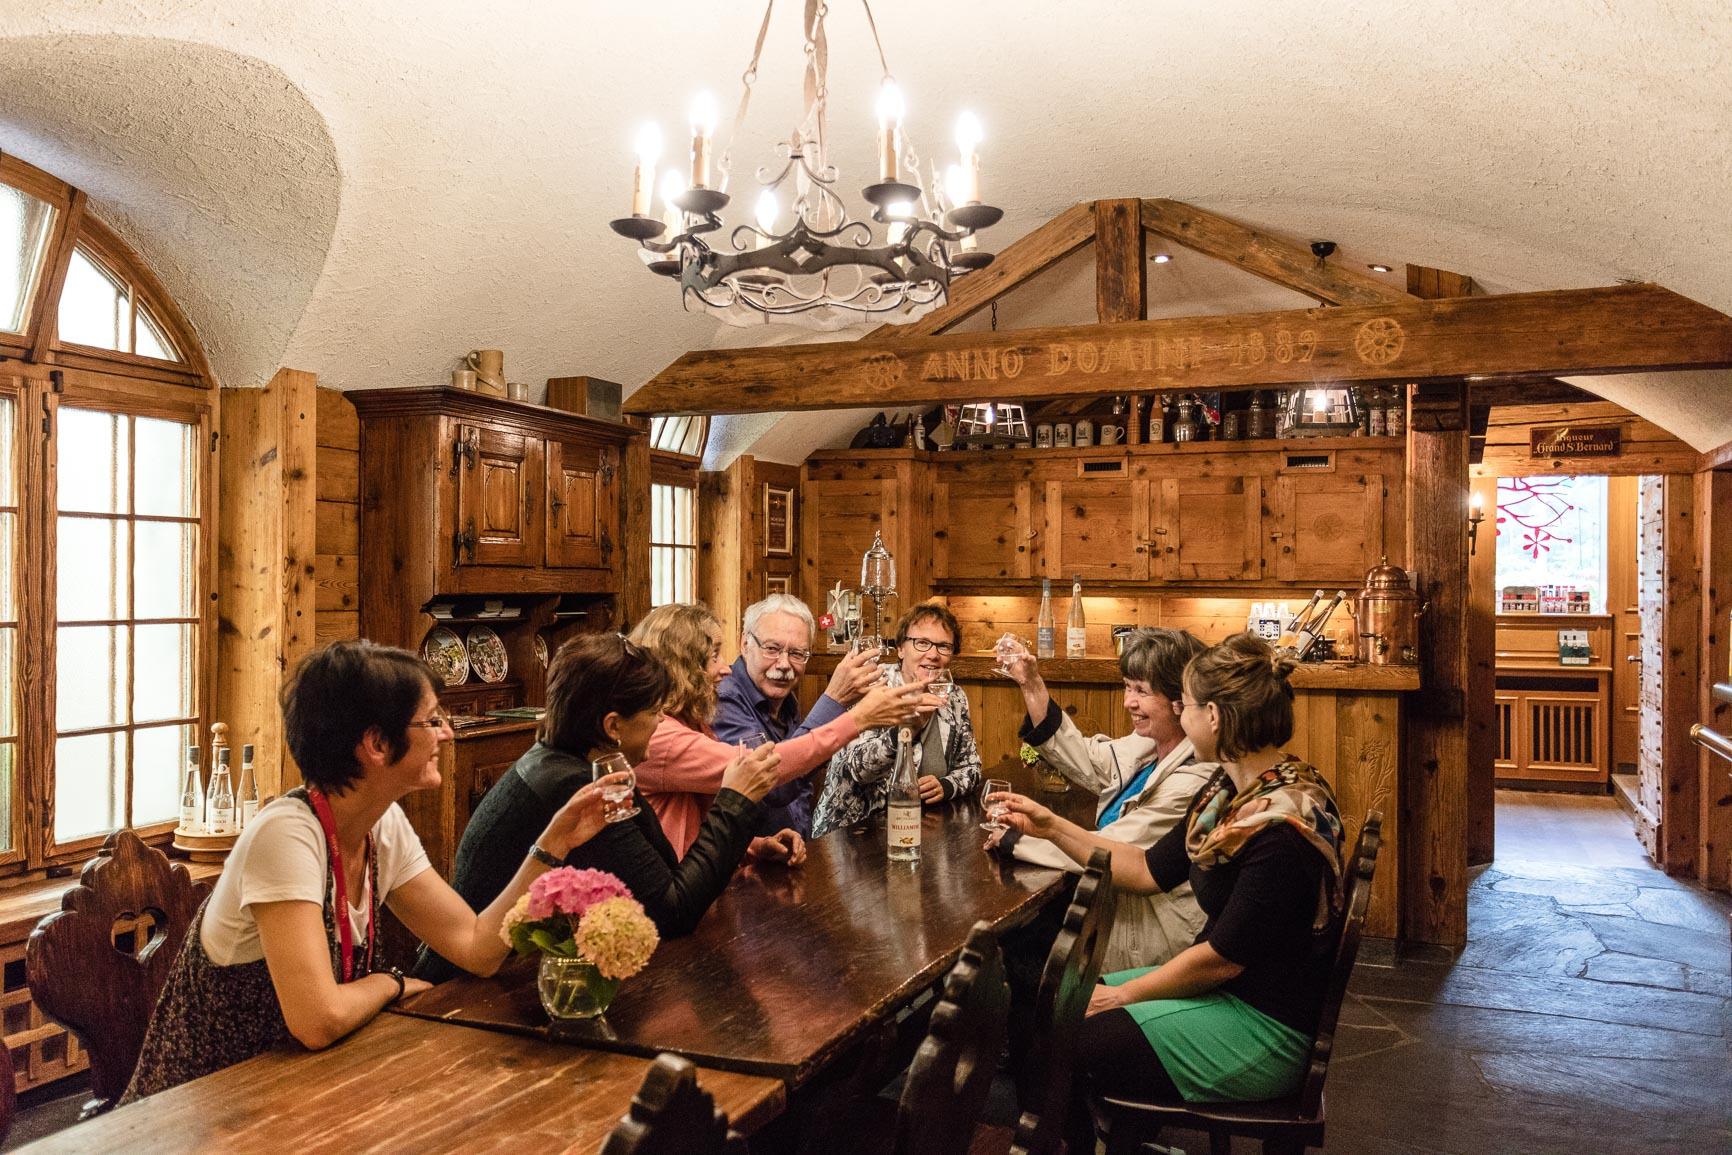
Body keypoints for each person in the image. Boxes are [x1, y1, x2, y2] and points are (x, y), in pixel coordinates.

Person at [125, 640, 623, 1099]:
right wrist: (393, 983)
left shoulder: (381, 824)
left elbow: (477, 949)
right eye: (432, 720)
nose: (447, 733)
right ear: (377, 744)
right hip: (198, 1111)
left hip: (302, 1093)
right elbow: (317, 1020)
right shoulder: (285, 835)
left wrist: (553, 843)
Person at [991, 634, 1344, 1106]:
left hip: (1263, 1025)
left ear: (1213, 716)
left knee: (1058, 1039)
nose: (1180, 713)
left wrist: (1125, 995)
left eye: (1187, 705)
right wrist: (1051, 827)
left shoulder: (1278, 828)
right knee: (1051, 1006)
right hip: (1226, 988)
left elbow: (1220, 958)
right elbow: (1145, 869)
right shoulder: (1231, 789)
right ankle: (1087, 1135)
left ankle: (1078, 1135)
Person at [418, 633, 787, 982]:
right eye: (655, 710)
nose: (662, 721)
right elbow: (671, 913)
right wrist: (735, 801)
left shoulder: (566, 762)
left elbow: (660, 874)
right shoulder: (576, 788)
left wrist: (747, 845)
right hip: (465, 993)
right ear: (613, 726)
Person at [988, 627, 1212, 971]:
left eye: (1141, 691)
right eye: (1127, 687)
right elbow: (1084, 757)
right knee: (1012, 941)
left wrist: (1016, 840)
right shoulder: (1148, 745)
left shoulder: (1193, 778)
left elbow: (1114, 850)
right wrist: (1030, 683)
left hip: (1145, 937)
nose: (1128, 702)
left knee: (1010, 952)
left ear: (1179, 699)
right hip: (1109, 907)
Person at [630, 603, 924, 857]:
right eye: (714, 656)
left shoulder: (693, 719)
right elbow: (760, 772)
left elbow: (700, 822)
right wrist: (854, 717)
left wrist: (753, 848)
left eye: (797, 653)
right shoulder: (664, 733)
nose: (725, 668)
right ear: (683, 667)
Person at [713, 593, 883, 837]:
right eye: (772, 649)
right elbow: (769, 785)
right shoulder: (724, 697)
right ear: (745, 644)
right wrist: (834, 700)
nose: (784, 664)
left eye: (797, 654)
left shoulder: (786, 702)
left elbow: (800, 784)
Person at [811, 602, 982, 837]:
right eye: (922, 643)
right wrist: (906, 729)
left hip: (916, 829)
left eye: (943, 646)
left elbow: (971, 767)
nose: (933, 654)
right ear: (901, 648)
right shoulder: (873, 686)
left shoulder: (954, 697)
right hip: (853, 834)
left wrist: (947, 785)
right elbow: (859, 770)